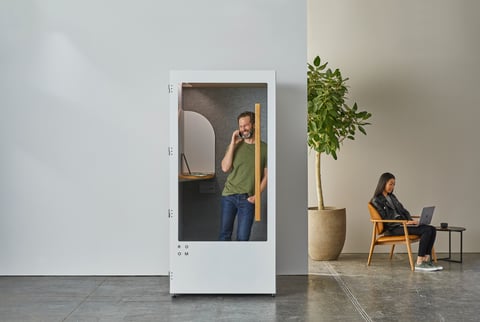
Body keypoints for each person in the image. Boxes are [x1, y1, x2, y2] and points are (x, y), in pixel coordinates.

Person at [371, 172, 443, 271]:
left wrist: (410, 220)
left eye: (394, 184)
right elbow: (385, 218)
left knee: (432, 229)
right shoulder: (376, 200)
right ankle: (419, 262)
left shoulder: (392, 197)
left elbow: (403, 210)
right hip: (393, 228)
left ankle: (426, 260)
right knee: (426, 230)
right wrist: (403, 222)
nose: (392, 186)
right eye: (390, 184)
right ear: (383, 183)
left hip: (402, 224)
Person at [218, 111, 267, 241]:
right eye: (240, 126)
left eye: (246, 125)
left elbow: (267, 176)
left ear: (254, 125)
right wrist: (233, 143)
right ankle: (224, 262)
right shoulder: (235, 145)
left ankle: (240, 262)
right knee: (224, 235)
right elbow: (225, 168)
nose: (243, 129)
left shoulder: (265, 148)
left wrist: (257, 195)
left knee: (243, 238)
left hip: (248, 198)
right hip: (229, 195)